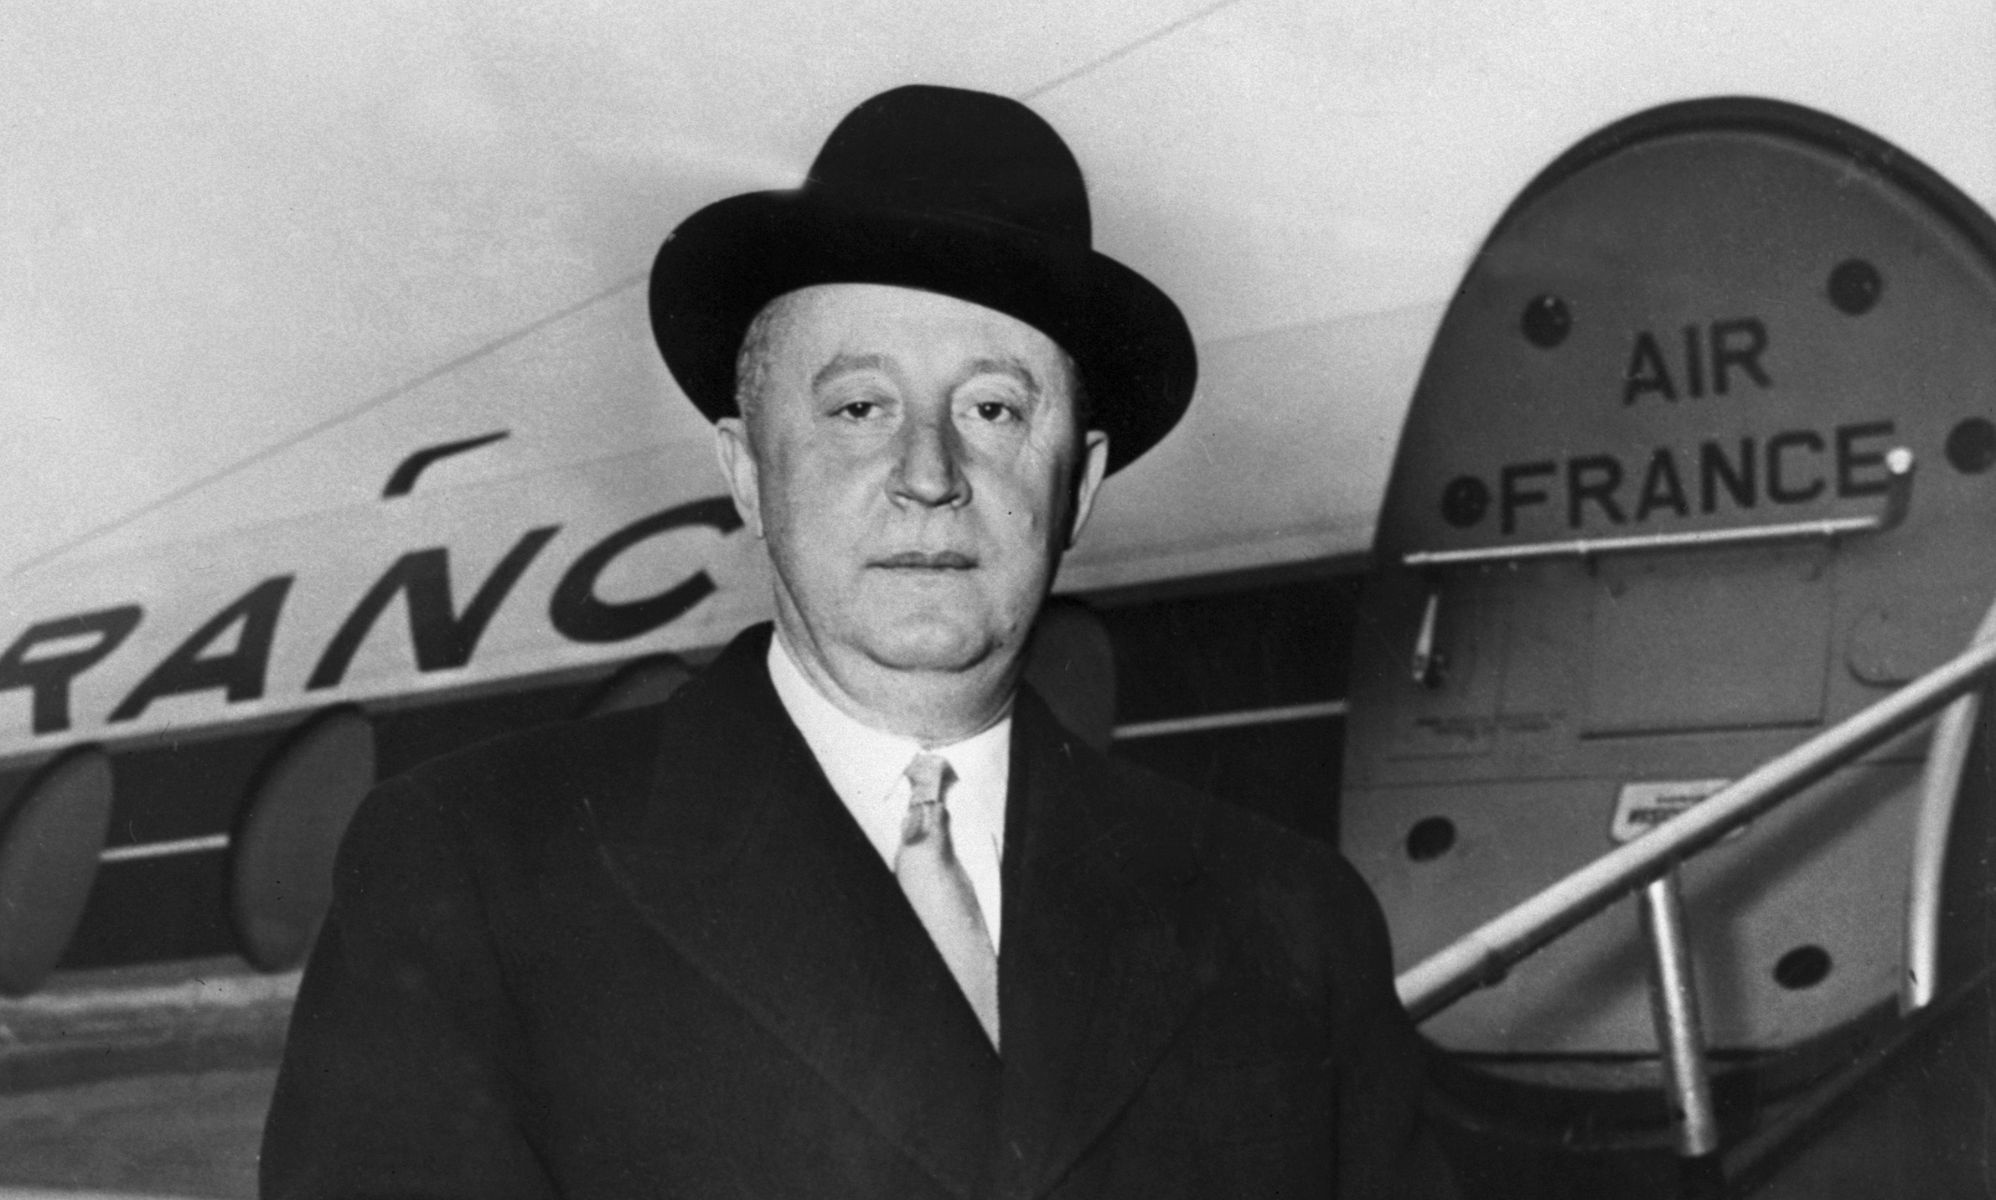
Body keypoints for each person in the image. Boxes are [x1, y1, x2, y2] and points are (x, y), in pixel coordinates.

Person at [261, 84, 1452, 1199]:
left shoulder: (1293, 924)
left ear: (1077, 483)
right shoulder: (474, 874)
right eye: (858, 407)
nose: (928, 474)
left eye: (994, 409)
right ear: (746, 467)